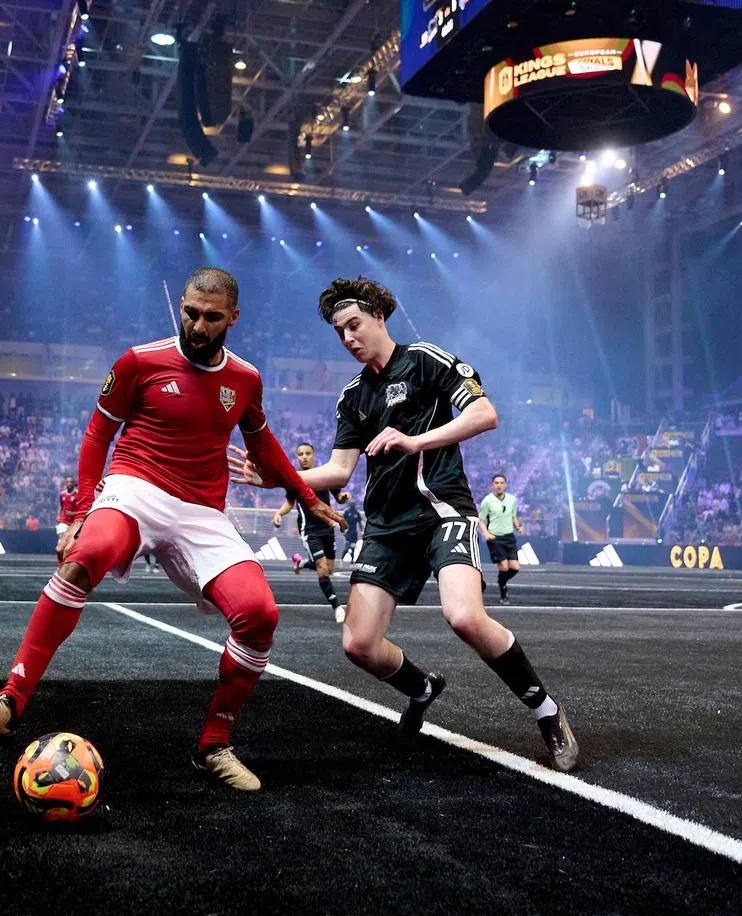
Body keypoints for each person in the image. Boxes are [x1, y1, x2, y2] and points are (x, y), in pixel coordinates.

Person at [0, 267, 345, 791]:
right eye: (190, 313)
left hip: (203, 511)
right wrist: (81, 514)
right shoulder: (139, 361)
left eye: (212, 317)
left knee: (259, 615)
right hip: (135, 486)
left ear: (233, 318)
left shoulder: (246, 378)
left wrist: (306, 496)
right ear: (181, 305)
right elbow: (97, 435)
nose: (198, 326)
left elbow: (263, 445)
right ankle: (9, 702)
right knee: (89, 554)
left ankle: (214, 746)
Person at [230, 276, 578, 772]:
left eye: (354, 324)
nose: (348, 337)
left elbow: (485, 414)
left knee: (464, 617)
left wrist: (416, 441)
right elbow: (339, 470)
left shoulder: (425, 360)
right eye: (339, 331)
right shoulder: (353, 396)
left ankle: (546, 711)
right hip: (386, 526)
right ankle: (422, 688)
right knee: (359, 645)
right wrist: (278, 478)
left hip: (442, 509)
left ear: (379, 315)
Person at [274, 441, 351, 622]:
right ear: (297, 458)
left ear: (314, 456)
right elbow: (290, 503)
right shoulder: (295, 479)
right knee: (322, 569)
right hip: (309, 530)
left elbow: (338, 496)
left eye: (308, 453)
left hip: (328, 528)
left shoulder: (325, 476)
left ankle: (301, 563)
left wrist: (343, 497)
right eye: (300, 454)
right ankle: (337, 607)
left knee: (329, 569)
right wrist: (279, 513)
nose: (304, 457)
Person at [478, 474, 523, 604]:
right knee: (503, 566)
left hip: (509, 536)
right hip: (495, 537)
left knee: (515, 567)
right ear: (492, 485)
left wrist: (518, 526)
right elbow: (481, 520)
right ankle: (503, 593)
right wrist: (486, 533)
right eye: (496, 483)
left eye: (501, 483)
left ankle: (501, 581)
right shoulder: (487, 501)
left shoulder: (512, 499)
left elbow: (513, 516)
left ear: (506, 485)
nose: (499, 485)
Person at [341, 494, 363, 562]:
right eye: (351, 503)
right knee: (347, 547)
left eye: (353, 503)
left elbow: (360, 522)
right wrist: (343, 530)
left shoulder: (357, 513)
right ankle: (341, 559)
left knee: (353, 547)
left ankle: (352, 561)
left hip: (354, 533)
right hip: (348, 533)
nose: (352, 504)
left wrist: (361, 531)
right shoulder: (347, 512)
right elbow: (342, 520)